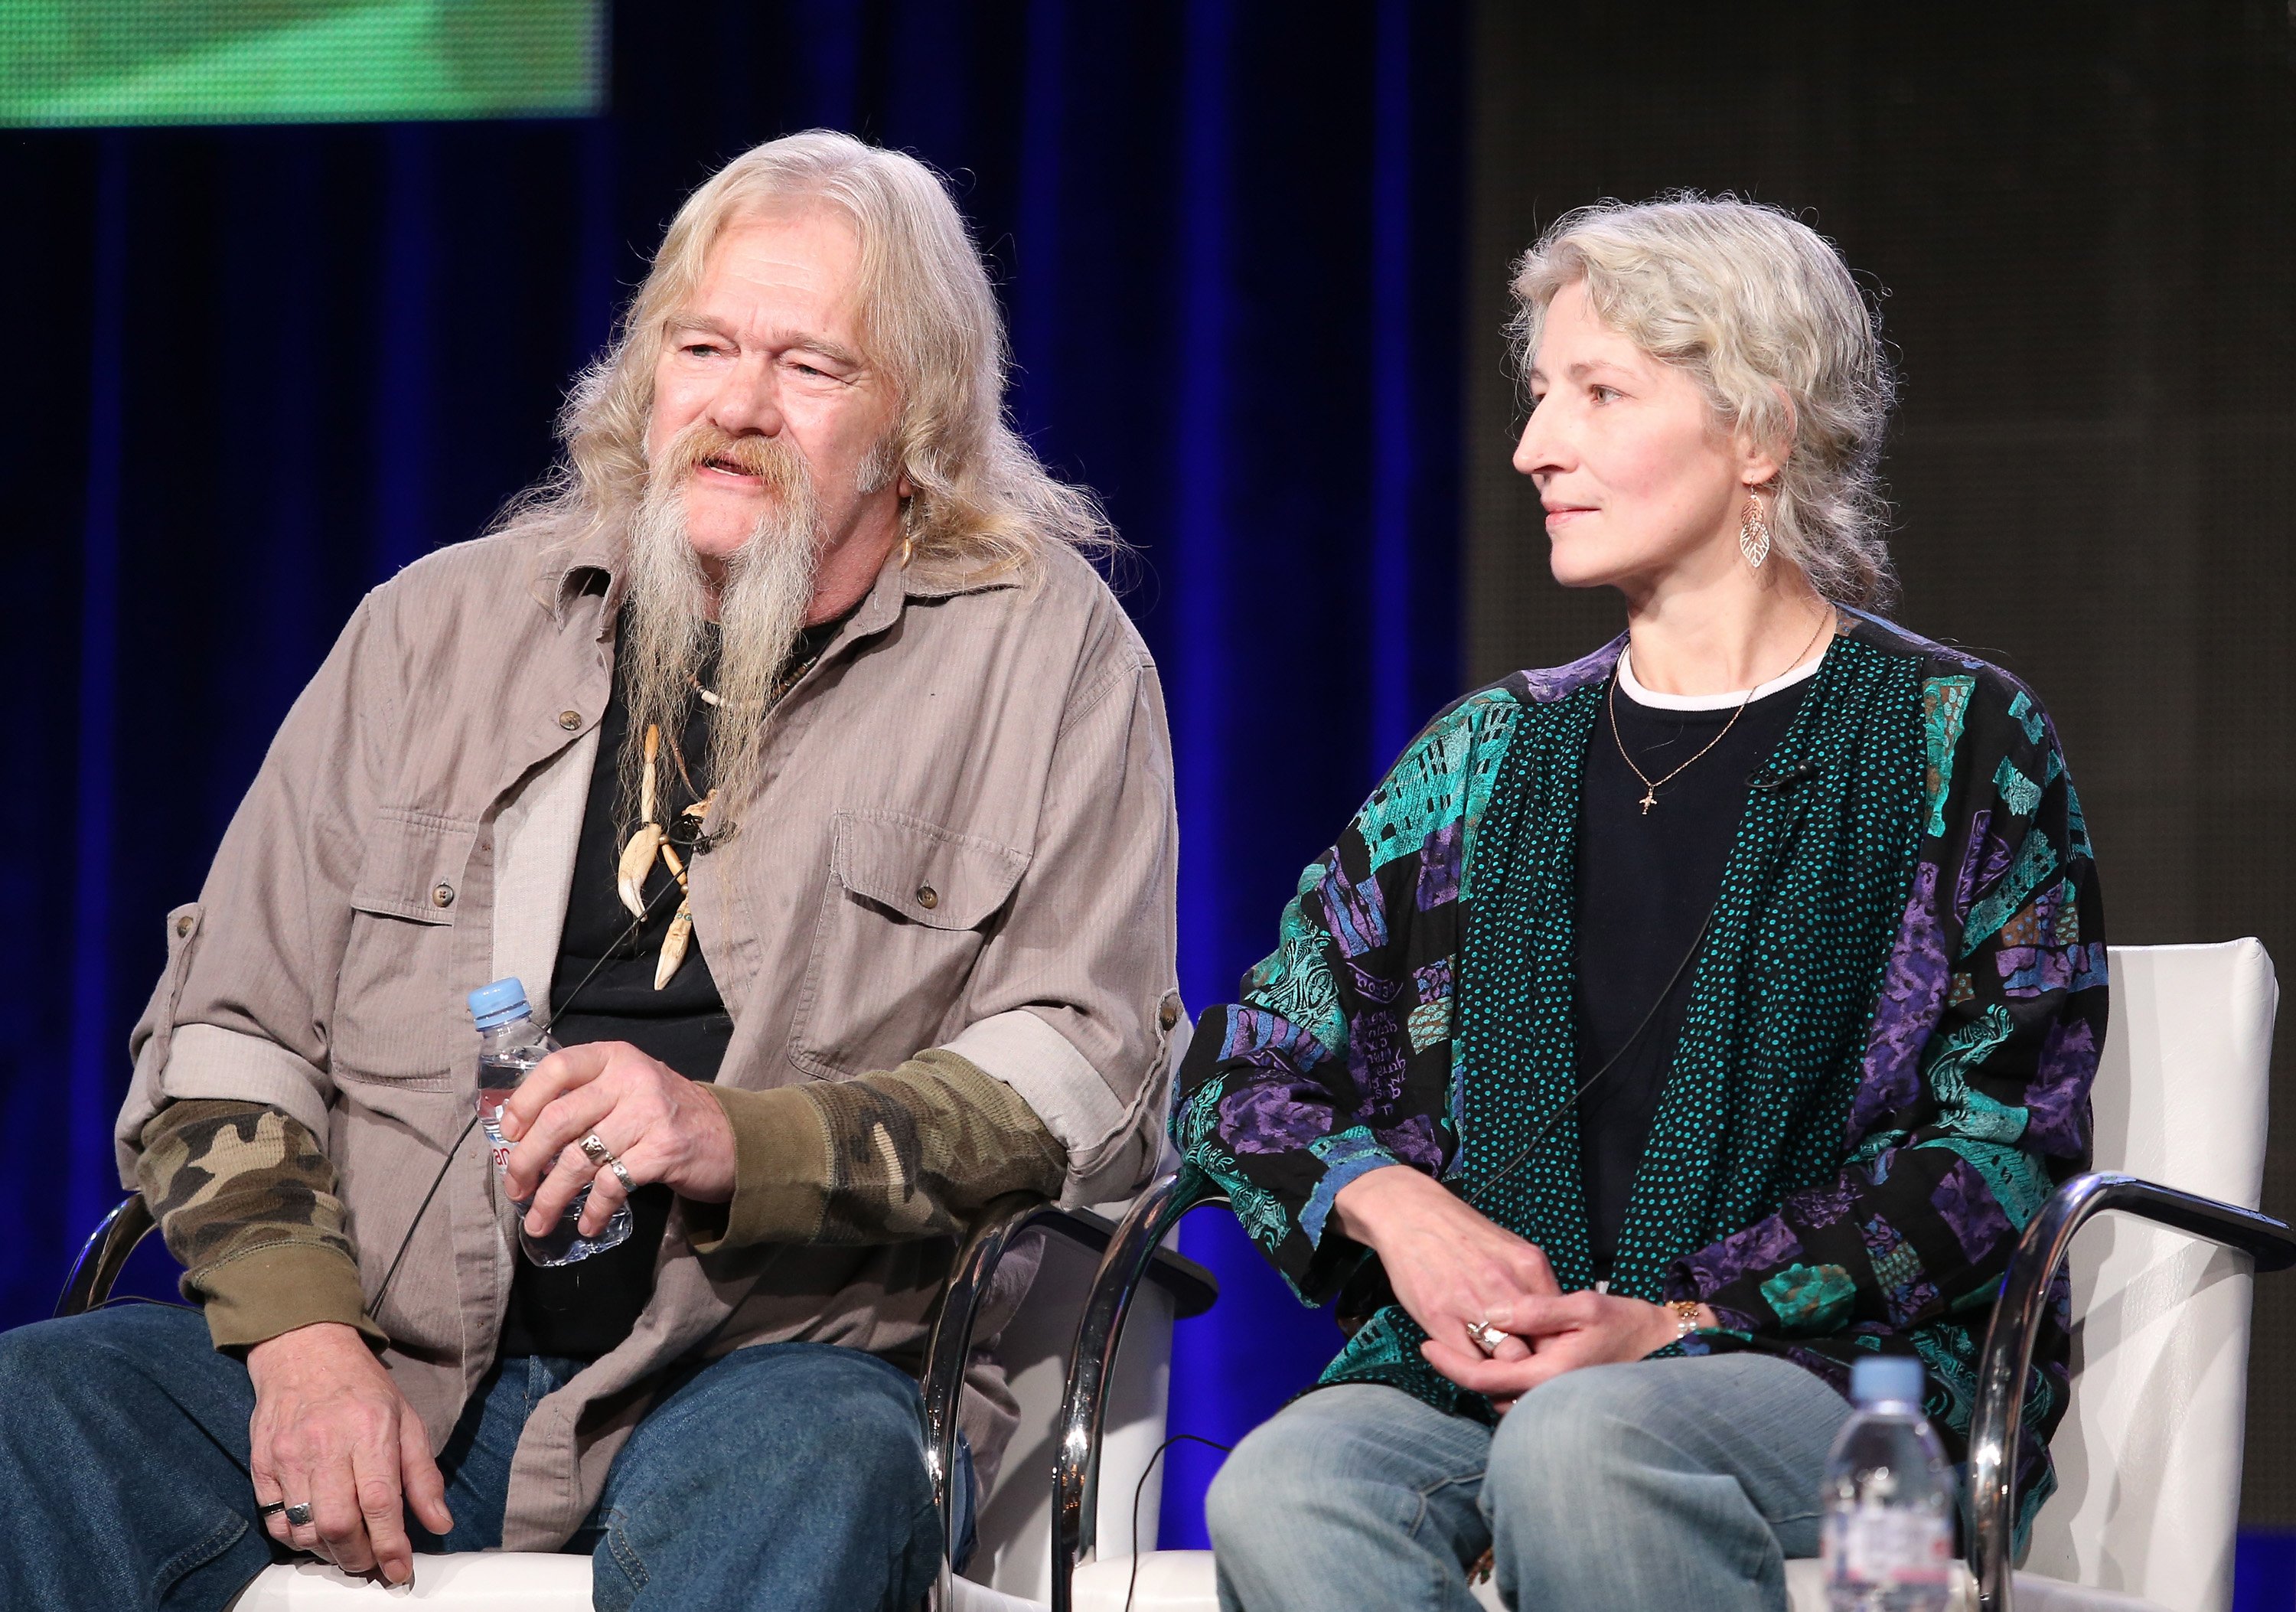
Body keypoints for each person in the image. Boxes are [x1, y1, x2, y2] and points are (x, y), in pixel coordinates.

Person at [0, 130, 1178, 1612]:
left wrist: (737, 1137)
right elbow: (224, 1034)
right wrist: (302, 1345)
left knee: (812, 1472)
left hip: (760, 1377)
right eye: (702, 347)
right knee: (35, 1421)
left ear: (918, 420)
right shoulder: (433, 631)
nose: (738, 405)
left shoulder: (1042, 657)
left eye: (810, 368)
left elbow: (1082, 1075)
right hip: (395, 1363)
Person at [1182, 195, 2105, 1611]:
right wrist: (1392, 1204)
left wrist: (1679, 1323)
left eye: (1600, 392)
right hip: (1495, 1374)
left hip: (1841, 1382)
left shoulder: (1959, 743)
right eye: (1541, 393)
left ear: (1761, 435)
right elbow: (1248, 1065)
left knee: (1583, 1445)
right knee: (1283, 1480)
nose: (1533, 445)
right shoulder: (1481, 763)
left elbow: (1997, 1150)